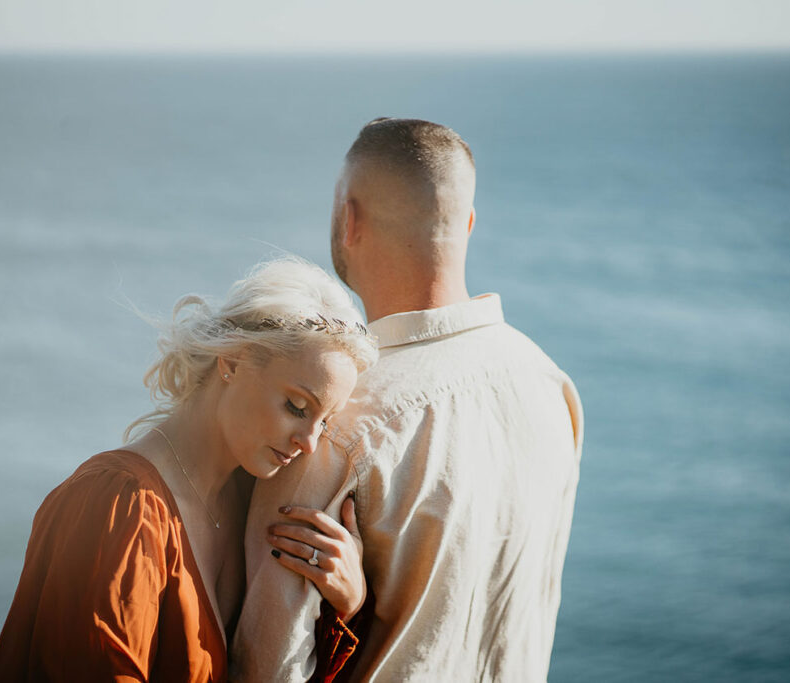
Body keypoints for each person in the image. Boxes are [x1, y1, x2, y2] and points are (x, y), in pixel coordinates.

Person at [231, 119, 584, 682]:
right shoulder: (551, 384)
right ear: (468, 225)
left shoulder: (332, 424)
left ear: (350, 219)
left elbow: (268, 668)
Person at [0, 257, 379, 682]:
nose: (309, 442)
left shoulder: (252, 500)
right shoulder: (118, 506)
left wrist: (349, 600)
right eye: (296, 407)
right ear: (231, 360)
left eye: (325, 422)